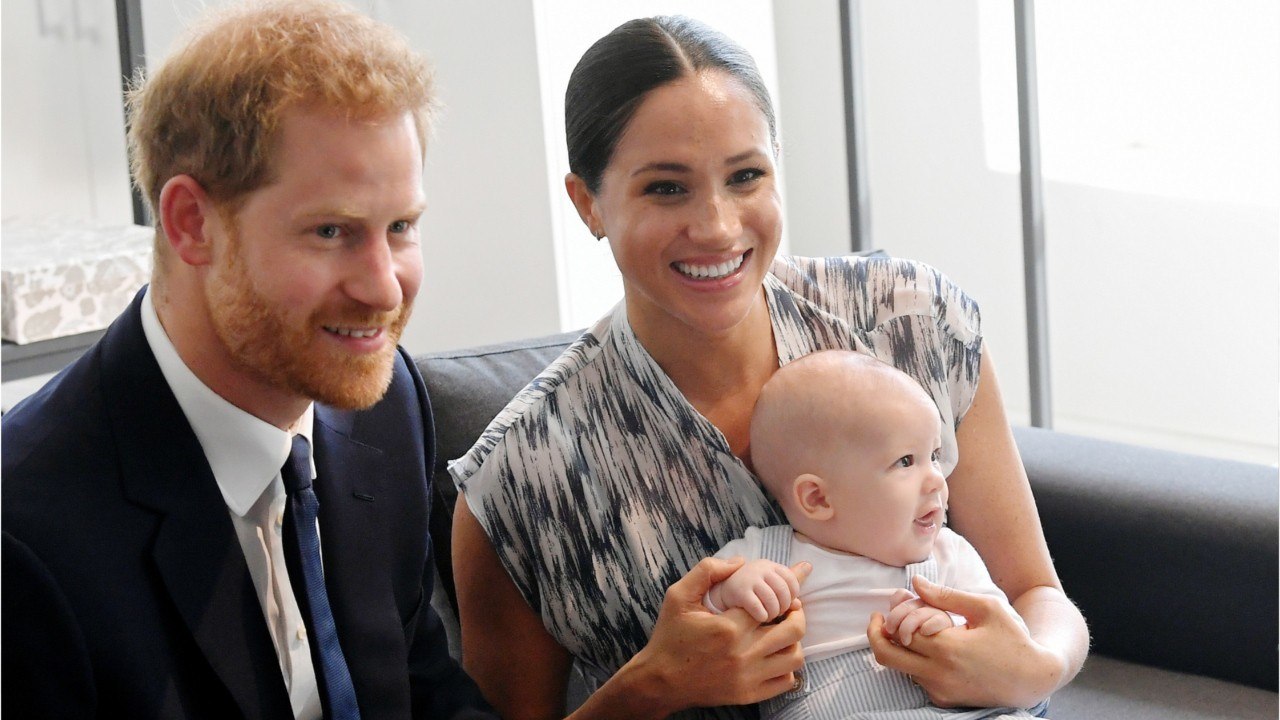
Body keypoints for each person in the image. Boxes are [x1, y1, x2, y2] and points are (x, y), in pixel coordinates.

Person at [450, 14, 1087, 720]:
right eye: (666, 188)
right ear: (587, 204)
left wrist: (1035, 667)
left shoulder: (911, 321)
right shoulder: (520, 479)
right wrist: (652, 686)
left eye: (745, 176)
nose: (718, 226)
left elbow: (1036, 592)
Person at [1, 2, 496, 718]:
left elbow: (423, 691)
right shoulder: (26, 538)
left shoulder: (385, 407)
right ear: (191, 223)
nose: (385, 288)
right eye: (331, 232)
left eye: (401, 227)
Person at [705, 350, 1040, 719]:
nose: (936, 478)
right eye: (906, 461)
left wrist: (952, 626)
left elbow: (1006, 639)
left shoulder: (949, 555)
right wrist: (731, 592)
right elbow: (698, 628)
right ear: (817, 499)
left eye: (934, 455)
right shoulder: (764, 557)